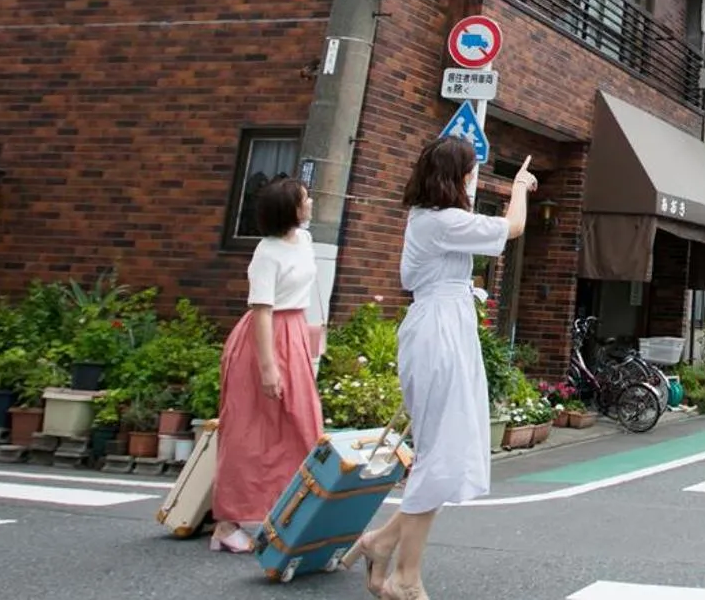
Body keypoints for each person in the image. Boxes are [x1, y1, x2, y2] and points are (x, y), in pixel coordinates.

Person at [345, 137, 535, 599]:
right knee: (439, 454)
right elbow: (513, 227)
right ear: (457, 176)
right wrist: (519, 187)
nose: (473, 177)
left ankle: (382, 544)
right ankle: (404, 576)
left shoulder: (433, 219)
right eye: (471, 170)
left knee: (444, 451)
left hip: (444, 328)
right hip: (439, 333)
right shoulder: (443, 221)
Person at [209, 176, 325, 553]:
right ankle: (225, 525)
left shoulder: (304, 240)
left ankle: (284, 514)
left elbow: (307, 294)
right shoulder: (267, 252)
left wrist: (312, 336)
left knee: (301, 426)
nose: (311, 202)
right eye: (305, 199)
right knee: (248, 432)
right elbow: (261, 311)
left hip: (293, 332)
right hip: (265, 339)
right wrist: (267, 367)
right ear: (289, 208)